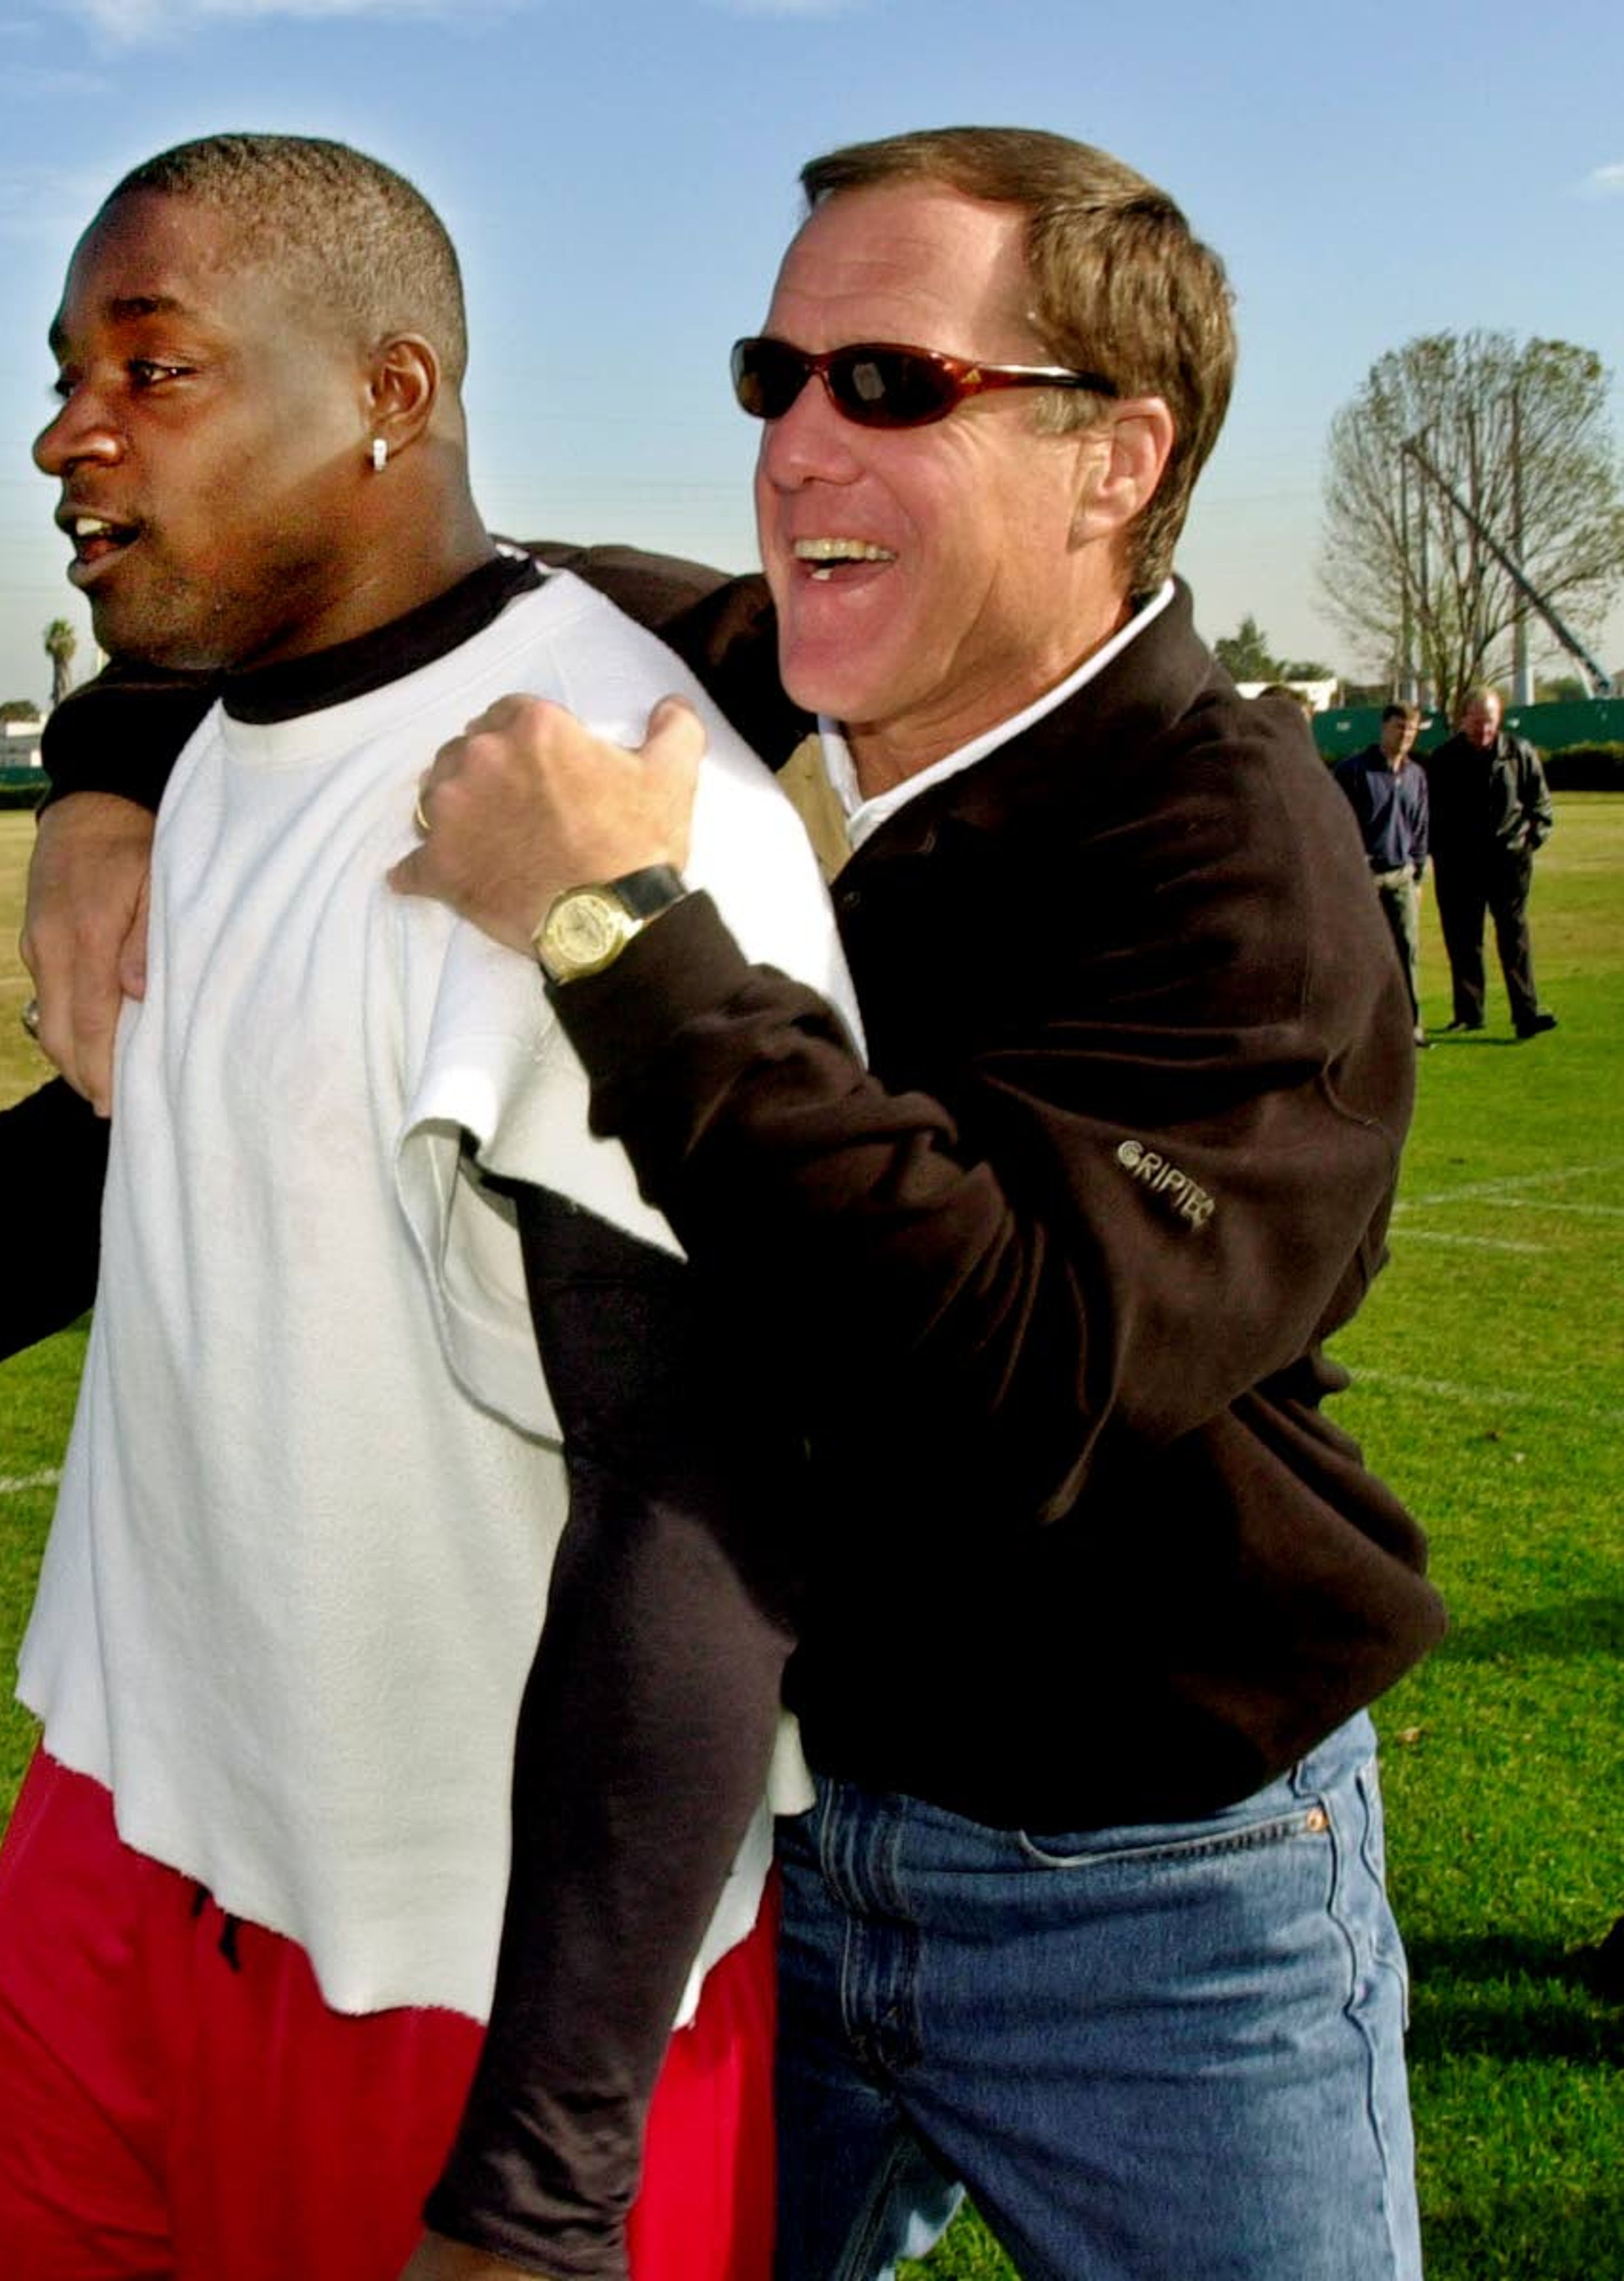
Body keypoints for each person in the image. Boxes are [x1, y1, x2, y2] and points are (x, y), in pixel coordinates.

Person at [0, 133, 860, 2281]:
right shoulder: (232, 733)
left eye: (151, 372)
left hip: (452, 1952)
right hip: (130, 1818)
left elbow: (700, 1511)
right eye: (68, 372)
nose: (68, 434)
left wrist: (542, 2185)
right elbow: (133, 1138)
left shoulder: (606, 810)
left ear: (390, 395)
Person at [386, 127, 1443, 2279]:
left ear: (1115, 457)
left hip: (1151, 1902)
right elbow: (359, 559)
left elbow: (1010, 1360)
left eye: (887, 386)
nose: (792, 446)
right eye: (772, 375)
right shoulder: (759, 680)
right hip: (769, 1844)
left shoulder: (1239, 864)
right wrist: (109, 790)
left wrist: (613, 931)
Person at [1425, 685, 1556, 1038]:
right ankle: (1469, 1013)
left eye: (1491, 722)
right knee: (1463, 939)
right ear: (1464, 718)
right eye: (1478, 721)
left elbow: (1541, 806)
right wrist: (1439, 853)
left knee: (1514, 937)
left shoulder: (1520, 753)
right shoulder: (1443, 759)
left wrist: (1529, 842)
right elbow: (1432, 816)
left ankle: (1526, 1013)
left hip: (1509, 861)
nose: (1484, 730)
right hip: (1459, 865)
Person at [1332, 701, 1432, 1045]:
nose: (1405, 735)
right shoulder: (1354, 772)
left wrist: (1418, 873)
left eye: (1411, 729)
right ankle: (1356, 1027)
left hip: (1402, 874)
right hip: (1365, 877)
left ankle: (1412, 1026)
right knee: (1361, 952)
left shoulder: (1416, 775)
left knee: (1408, 950)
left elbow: (1420, 827)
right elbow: (1336, 824)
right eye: (1399, 727)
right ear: (1384, 728)